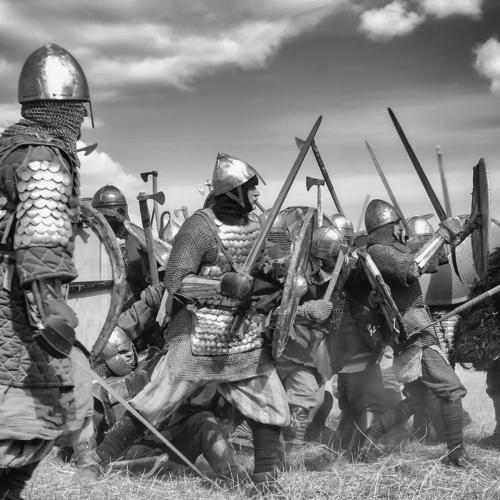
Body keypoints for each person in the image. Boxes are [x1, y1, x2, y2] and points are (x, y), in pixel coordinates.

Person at [77, 153, 288, 490]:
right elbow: (175, 281)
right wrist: (221, 284)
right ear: (233, 191)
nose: (257, 193)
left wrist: (276, 275)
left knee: (269, 399)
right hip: (197, 332)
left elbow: (260, 276)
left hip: (242, 331)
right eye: (251, 187)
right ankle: (97, 460)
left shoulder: (255, 228)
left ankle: (266, 478)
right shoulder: (199, 227)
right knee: (155, 401)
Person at [0, 43, 91, 498]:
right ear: (65, 107)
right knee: (26, 419)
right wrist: (52, 313)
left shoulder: (11, 147)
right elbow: (40, 243)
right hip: (15, 312)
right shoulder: (43, 155)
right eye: (78, 110)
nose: (81, 119)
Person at [359, 199, 475, 466]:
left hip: (414, 330)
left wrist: (462, 233)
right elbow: (410, 269)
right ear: (390, 227)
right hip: (415, 332)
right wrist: (442, 234)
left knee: (418, 399)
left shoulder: (390, 251)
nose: (402, 229)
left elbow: (432, 257)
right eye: (398, 225)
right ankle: (456, 453)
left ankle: (369, 437)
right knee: (452, 389)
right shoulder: (379, 252)